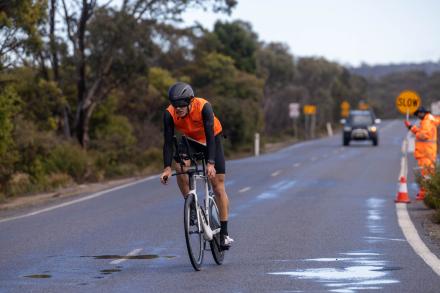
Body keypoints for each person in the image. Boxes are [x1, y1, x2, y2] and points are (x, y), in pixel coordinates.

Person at [160, 82, 233, 249]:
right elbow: (168, 142)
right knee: (180, 167)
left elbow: (209, 134)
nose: (177, 109)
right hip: (191, 141)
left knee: (218, 185)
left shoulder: (203, 107)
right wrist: (166, 167)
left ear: (190, 102)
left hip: (211, 139)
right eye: (174, 105)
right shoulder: (169, 114)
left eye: (181, 105)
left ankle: (224, 233)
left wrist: (211, 163)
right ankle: (191, 206)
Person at [404, 106, 440, 200]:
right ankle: (427, 192)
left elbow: (424, 135)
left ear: (424, 113)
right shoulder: (427, 120)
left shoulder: (427, 122)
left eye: (420, 113)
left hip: (426, 152)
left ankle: (425, 193)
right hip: (428, 152)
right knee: (427, 172)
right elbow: (422, 132)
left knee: (426, 173)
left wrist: (414, 131)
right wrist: (411, 127)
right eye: (418, 113)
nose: (419, 115)